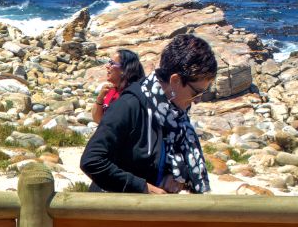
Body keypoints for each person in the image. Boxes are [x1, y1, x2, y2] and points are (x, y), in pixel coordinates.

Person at [79, 33, 217, 195]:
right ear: (175, 81)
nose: (198, 100)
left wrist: (174, 177)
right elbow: (91, 160)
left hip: (152, 214)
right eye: (197, 92)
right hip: (117, 212)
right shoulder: (130, 105)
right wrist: (144, 188)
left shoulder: (174, 110)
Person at [90, 47, 145, 122]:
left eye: (112, 63)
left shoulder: (132, 95)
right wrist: (100, 98)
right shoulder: (111, 90)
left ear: (124, 69)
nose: (107, 66)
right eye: (109, 62)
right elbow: (98, 120)